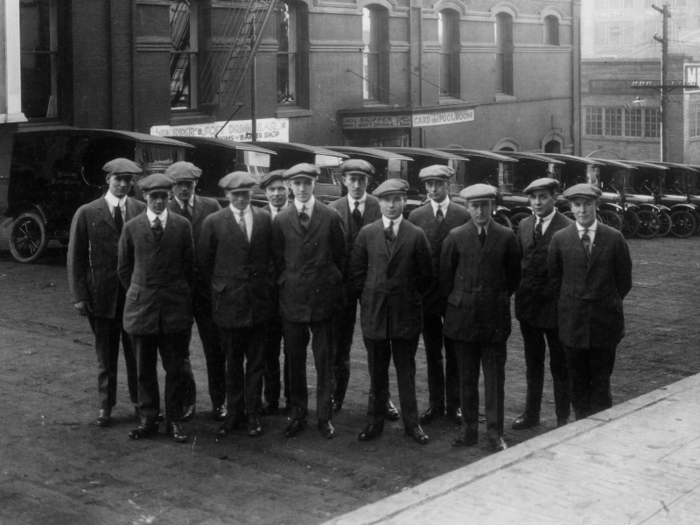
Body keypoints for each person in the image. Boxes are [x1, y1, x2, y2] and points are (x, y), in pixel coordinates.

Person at [351, 178, 433, 445]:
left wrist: (407, 298)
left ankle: (413, 424)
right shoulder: (367, 233)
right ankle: (374, 422)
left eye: (396, 199)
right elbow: (357, 273)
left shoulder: (415, 234)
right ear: (380, 203)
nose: (391, 205)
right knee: (377, 372)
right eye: (386, 200)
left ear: (403, 202)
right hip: (375, 314)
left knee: (406, 371)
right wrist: (372, 297)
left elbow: (425, 277)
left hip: (405, 315)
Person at [440, 184, 521, 452]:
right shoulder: (455, 236)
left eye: (485, 205)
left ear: (492, 207)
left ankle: (494, 434)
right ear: (467, 207)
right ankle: (469, 431)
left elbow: (513, 279)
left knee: (494, 378)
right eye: (474, 206)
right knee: (466, 378)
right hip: (463, 319)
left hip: (494, 319)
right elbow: (445, 280)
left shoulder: (507, 237)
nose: (479, 211)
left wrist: (493, 297)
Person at [67, 158, 146, 427]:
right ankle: (105, 406)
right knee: (106, 355)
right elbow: (76, 257)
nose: (123, 184)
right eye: (118, 179)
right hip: (101, 297)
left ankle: (141, 404)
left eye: (128, 180)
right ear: (108, 180)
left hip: (135, 297)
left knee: (137, 354)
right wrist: (79, 295)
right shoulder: (88, 212)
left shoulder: (141, 209)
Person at [271, 163, 347, 439]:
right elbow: (278, 258)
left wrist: (327, 280)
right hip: (292, 299)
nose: (302, 189)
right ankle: (298, 414)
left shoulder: (330, 216)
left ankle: (324, 417)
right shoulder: (281, 220)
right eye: (297, 184)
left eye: (307, 183)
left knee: (325, 360)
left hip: (323, 299)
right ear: (290, 186)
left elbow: (340, 255)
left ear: (315, 184)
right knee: (295, 360)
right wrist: (287, 282)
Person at [118, 173, 194, 443]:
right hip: (142, 310)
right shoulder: (132, 227)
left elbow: (189, 266)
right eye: (154, 197)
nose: (159, 202)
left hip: (174, 310)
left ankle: (174, 420)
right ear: (145, 198)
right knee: (143, 369)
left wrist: (176, 293)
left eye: (164, 196)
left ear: (170, 197)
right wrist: (140, 292)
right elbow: (124, 268)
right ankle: (148, 419)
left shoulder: (182, 226)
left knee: (174, 369)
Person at [197, 172, 274, 438]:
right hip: (228, 305)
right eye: (236, 194)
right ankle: (233, 414)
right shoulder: (214, 222)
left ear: (252, 193)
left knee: (255, 364)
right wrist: (222, 289)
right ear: (227, 196)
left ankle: (253, 415)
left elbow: (272, 258)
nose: (241, 199)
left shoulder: (264, 219)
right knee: (232, 363)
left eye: (246, 194)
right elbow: (204, 264)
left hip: (258, 305)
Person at [548, 183, 632, 420]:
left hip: (604, 325)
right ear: (570, 207)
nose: (582, 210)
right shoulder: (560, 239)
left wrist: (602, 303)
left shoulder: (614, 238)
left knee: (601, 384)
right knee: (577, 384)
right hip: (572, 326)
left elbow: (624, 281)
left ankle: (601, 431)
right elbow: (555, 281)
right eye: (577, 204)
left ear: (597, 205)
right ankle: (580, 428)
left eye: (587, 204)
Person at [329, 159, 399, 421]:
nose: (357, 184)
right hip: (343, 289)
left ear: (369, 182)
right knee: (340, 346)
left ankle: (383, 397)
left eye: (362, 180)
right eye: (352, 179)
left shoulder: (379, 206)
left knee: (378, 345)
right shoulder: (332, 209)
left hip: (374, 288)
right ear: (343, 180)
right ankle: (337, 395)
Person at [407, 165, 469, 425]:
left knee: (455, 351)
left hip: (455, 296)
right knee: (433, 352)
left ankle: (455, 405)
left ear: (448, 185)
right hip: (429, 297)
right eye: (428, 184)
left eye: (438, 184)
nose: (433, 189)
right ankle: (436, 404)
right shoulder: (416, 216)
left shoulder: (463, 214)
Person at [165, 161, 225, 422]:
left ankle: (219, 402)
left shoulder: (211, 206)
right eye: (178, 185)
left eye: (188, 184)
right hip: (177, 296)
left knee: (214, 349)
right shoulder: (162, 209)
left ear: (195, 184)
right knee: (180, 352)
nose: (183, 190)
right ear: (171, 187)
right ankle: (187, 401)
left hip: (206, 294)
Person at [512, 178, 572, 430]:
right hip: (529, 307)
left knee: (560, 365)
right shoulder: (525, 225)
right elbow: (519, 263)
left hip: (556, 309)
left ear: (554, 198)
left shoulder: (567, 227)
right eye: (533, 197)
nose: (537, 202)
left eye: (543, 197)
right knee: (532, 364)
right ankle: (531, 414)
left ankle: (562, 418)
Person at [258, 169, 290, 415]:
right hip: (266, 297)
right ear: (265, 192)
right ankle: (271, 398)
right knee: (268, 349)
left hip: (292, 296)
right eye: (272, 189)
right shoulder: (259, 218)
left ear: (288, 189)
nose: (277, 193)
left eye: (281, 188)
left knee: (293, 349)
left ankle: (292, 398)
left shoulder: (296, 214)